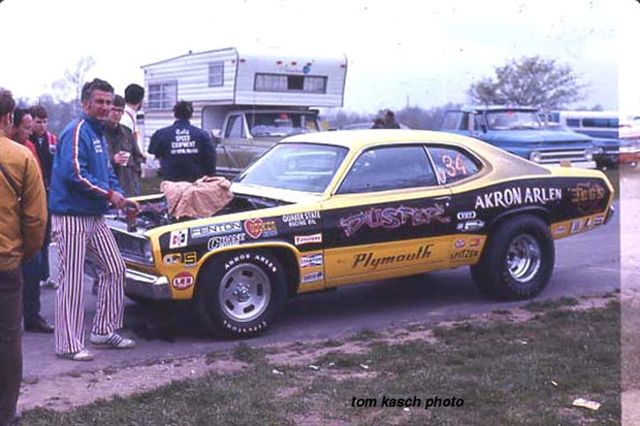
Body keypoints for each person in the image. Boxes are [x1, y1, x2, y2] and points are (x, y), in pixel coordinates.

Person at [49, 78, 137, 362]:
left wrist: (119, 194)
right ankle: (68, 344)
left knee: (115, 268)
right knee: (71, 279)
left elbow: (108, 172)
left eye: (109, 102)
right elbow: (75, 173)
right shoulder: (77, 131)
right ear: (85, 103)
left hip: (94, 215)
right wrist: (109, 193)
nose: (105, 107)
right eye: (99, 102)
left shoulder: (100, 133)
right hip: (71, 215)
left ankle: (103, 330)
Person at [0, 90, 47, 426]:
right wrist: (24, 253)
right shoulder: (22, 157)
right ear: (7, 118)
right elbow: (36, 221)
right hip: (6, 264)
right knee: (7, 339)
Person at [11, 109, 53, 334]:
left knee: (32, 272)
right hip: (18, 223)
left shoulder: (31, 148)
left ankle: (32, 316)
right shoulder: (18, 152)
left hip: (29, 223)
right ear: (12, 124)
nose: (29, 131)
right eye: (26, 127)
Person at [148, 100, 216, 182]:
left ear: (175, 114)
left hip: (171, 183)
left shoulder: (161, 134)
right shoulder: (202, 135)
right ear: (191, 114)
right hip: (195, 183)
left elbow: (152, 154)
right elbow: (211, 158)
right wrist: (209, 175)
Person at [30, 105, 58, 290]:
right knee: (35, 236)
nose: (42, 125)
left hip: (50, 191)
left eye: (44, 122)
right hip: (34, 191)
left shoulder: (52, 140)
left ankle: (45, 274)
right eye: (38, 122)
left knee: (47, 235)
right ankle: (34, 275)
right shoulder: (27, 140)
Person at [105, 95, 144, 197]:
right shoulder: (98, 132)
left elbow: (137, 156)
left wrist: (135, 171)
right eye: (113, 109)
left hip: (128, 186)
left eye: (120, 111)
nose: (116, 113)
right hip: (107, 188)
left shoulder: (126, 132)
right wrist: (113, 159)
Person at [120, 84, 146, 195]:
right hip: (128, 168)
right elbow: (125, 144)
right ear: (141, 100)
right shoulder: (125, 118)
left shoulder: (130, 115)